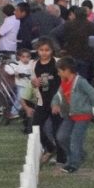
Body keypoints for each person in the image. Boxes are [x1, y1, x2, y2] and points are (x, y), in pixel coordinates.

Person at [52, 56, 94, 173]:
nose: (58, 73)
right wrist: (55, 104)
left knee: (75, 140)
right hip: (70, 115)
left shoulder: (81, 82)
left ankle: (73, 164)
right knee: (62, 137)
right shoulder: (63, 83)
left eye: (59, 71)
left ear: (67, 70)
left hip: (83, 115)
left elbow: (93, 94)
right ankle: (78, 155)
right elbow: (58, 96)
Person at [32, 37, 62, 165]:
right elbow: (33, 81)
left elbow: (63, 82)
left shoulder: (57, 62)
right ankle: (49, 148)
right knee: (35, 126)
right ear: (37, 50)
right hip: (42, 101)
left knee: (57, 129)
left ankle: (61, 158)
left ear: (52, 50)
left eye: (47, 50)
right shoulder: (34, 64)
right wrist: (34, 83)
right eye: (41, 50)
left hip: (56, 100)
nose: (44, 53)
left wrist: (58, 101)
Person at [51, 6, 94, 82]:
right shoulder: (92, 26)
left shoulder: (67, 25)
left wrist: (59, 49)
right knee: (84, 80)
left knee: (71, 80)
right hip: (87, 57)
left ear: (75, 14)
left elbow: (53, 34)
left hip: (70, 56)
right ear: (86, 15)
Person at [5, 47, 35, 132]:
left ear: (30, 57)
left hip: (30, 86)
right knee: (20, 99)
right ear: (19, 57)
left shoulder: (32, 63)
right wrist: (15, 72)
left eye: (27, 57)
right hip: (21, 85)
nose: (25, 59)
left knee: (29, 101)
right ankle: (13, 113)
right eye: (23, 57)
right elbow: (8, 68)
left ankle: (27, 116)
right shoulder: (17, 64)